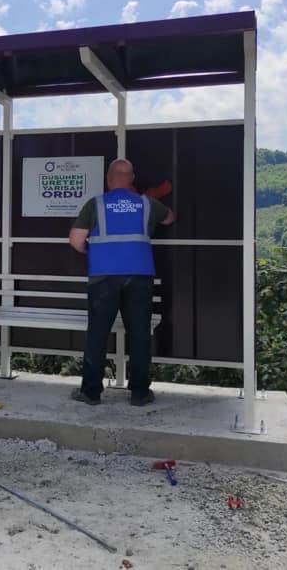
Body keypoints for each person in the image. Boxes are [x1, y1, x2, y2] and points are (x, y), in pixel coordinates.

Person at [68, 159, 175, 406]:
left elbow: (75, 240)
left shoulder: (96, 204)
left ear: (109, 178)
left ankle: (91, 392)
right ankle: (139, 393)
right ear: (132, 178)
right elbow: (169, 218)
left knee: (97, 334)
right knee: (139, 335)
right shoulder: (148, 203)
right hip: (140, 277)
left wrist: (91, 252)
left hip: (103, 279)